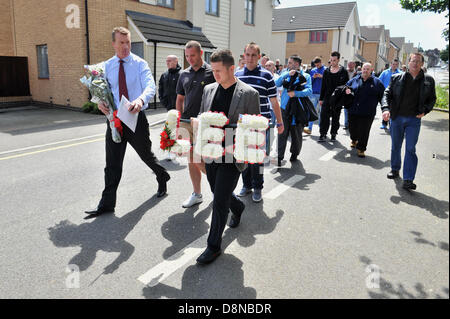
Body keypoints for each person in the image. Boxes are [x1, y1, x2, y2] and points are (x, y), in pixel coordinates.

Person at [85, 27, 170, 216]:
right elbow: (100, 91)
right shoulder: (105, 67)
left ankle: (162, 175)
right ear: (114, 43)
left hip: (136, 117)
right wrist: (99, 103)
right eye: (121, 42)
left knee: (146, 155)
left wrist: (140, 100)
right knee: (112, 163)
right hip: (114, 120)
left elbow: (150, 86)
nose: (125, 46)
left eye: (128, 42)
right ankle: (107, 204)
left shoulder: (140, 64)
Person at [194, 49, 261, 265]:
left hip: (233, 155)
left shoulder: (249, 94)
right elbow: (203, 120)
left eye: (219, 71)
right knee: (217, 191)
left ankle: (213, 247)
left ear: (232, 69)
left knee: (219, 199)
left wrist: (239, 147)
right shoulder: (209, 90)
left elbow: (254, 129)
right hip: (212, 152)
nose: (215, 75)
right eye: (212, 71)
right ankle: (239, 207)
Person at [235, 42, 284, 203]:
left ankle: (257, 187)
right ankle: (246, 185)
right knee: (243, 156)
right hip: (242, 124)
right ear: (243, 56)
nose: (249, 58)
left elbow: (274, 101)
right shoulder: (237, 74)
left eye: (253, 55)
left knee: (257, 158)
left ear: (259, 57)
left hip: (260, 124)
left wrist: (280, 122)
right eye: (247, 55)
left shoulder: (266, 76)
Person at [382, 53, 436, 190]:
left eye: (418, 61)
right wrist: (386, 109)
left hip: (414, 120)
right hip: (397, 118)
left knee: (410, 148)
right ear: (408, 62)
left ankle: (408, 179)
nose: (415, 63)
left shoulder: (428, 80)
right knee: (396, 146)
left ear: (422, 64)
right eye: (413, 61)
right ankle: (395, 169)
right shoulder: (396, 78)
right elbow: (387, 94)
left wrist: (425, 110)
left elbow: (432, 99)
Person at [176, 41, 216, 208]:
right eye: (186, 56)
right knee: (191, 159)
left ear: (200, 53)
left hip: (206, 123)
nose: (190, 59)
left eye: (192, 55)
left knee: (205, 158)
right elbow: (179, 99)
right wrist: (178, 122)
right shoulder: (183, 74)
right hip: (186, 122)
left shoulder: (212, 72)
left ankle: (219, 189)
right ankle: (197, 194)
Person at [275, 55, 312, 166]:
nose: (288, 65)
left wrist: (296, 93)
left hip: (298, 110)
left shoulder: (306, 76)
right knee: (282, 133)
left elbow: (309, 90)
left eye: (290, 63)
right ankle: (279, 157)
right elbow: (277, 83)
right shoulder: (285, 73)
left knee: (296, 134)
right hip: (284, 108)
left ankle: (294, 154)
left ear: (296, 64)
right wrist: (287, 74)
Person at [345, 63, 385, 158]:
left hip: (368, 112)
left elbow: (383, 97)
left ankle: (361, 149)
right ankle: (354, 139)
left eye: (367, 69)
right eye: (364, 69)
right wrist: (347, 91)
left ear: (371, 70)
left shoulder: (377, 83)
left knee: (364, 131)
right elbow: (346, 88)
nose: (365, 71)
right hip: (353, 110)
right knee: (352, 129)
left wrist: (385, 109)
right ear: (361, 69)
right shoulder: (354, 80)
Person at [318, 51, 350, 142]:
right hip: (327, 98)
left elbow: (346, 85)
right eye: (331, 60)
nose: (332, 62)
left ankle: (333, 134)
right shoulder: (326, 71)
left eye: (334, 60)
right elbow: (323, 86)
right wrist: (321, 98)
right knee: (324, 116)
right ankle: (323, 134)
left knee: (336, 117)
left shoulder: (343, 71)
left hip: (337, 99)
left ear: (338, 60)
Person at [304, 57, 326, 135]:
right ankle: (309, 128)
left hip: (321, 94)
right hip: (313, 93)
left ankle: (321, 130)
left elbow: (328, 81)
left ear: (321, 62)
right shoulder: (313, 70)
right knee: (312, 111)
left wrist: (322, 77)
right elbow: (309, 82)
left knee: (321, 112)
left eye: (318, 64)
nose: (317, 66)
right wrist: (313, 77)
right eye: (316, 65)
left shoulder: (326, 70)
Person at [378, 58, 401, 129]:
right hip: (386, 95)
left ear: (398, 65)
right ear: (391, 64)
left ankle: (391, 124)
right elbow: (379, 81)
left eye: (396, 64)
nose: (394, 65)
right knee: (385, 109)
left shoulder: (400, 73)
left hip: (395, 95)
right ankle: (384, 123)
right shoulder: (385, 72)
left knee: (393, 109)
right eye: (393, 64)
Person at [344, 61, 358, 129]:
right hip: (345, 92)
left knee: (352, 109)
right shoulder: (344, 72)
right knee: (346, 109)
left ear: (354, 65)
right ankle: (346, 124)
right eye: (349, 65)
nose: (350, 66)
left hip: (353, 93)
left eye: (351, 65)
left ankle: (351, 124)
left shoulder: (357, 73)